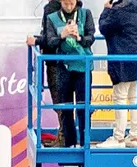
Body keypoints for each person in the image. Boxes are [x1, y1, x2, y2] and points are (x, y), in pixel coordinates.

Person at [30, 0, 98, 148]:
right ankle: (69, 143)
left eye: (71, 3)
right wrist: (63, 34)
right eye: (66, 3)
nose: (69, 6)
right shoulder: (52, 16)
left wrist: (79, 37)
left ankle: (84, 143)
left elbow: (91, 37)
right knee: (65, 108)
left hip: (83, 67)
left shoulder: (85, 14)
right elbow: (50, 41)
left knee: (83, 106)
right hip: (63, 68)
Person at [98, 0, 137, 147]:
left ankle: (118, 137)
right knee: (135, 98)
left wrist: (106, 10)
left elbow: (104, 27)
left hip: (122, 59)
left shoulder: (118, 10)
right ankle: (134, 136)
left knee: (120, 98)